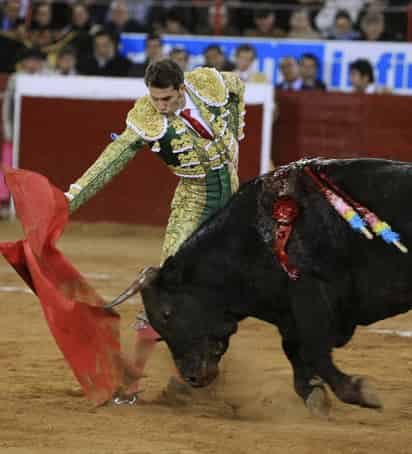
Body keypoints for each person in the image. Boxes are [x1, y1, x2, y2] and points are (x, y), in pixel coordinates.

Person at [64, 59, 245, 402]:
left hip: (231, 204)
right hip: (193, 203)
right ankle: (131, 382)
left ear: (181, 89)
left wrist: (235, 133)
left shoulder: (206, 84)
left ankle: (190, 373)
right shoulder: (146, 117)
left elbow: (235, 86)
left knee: (226, 291)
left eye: (165, 99)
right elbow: (113, 157)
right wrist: (70, 199)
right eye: (154, 98)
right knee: (164, 293)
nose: (159, 106)